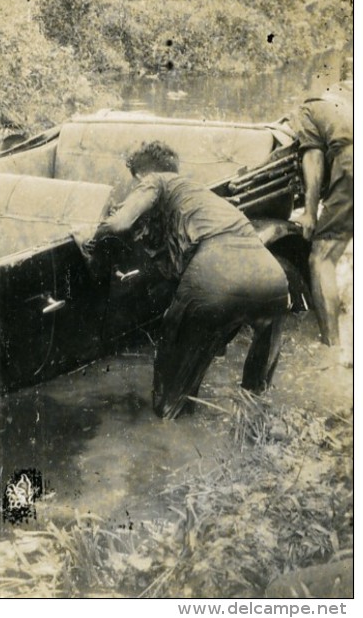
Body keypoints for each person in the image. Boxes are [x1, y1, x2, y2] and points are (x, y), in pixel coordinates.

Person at [81, 140, 290, 419]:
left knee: (171, 399)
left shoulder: (154, 181)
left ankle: (172, 437)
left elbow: (120, 224)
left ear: (141, 175)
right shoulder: (200, 195)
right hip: (273, 278)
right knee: (255, 399)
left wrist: (91, 240)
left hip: (220, 273)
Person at [292, 76, 353, 349]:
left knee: (321, 258)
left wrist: (309, 213)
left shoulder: (308, 108)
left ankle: (331, 346)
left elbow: (313, 160)